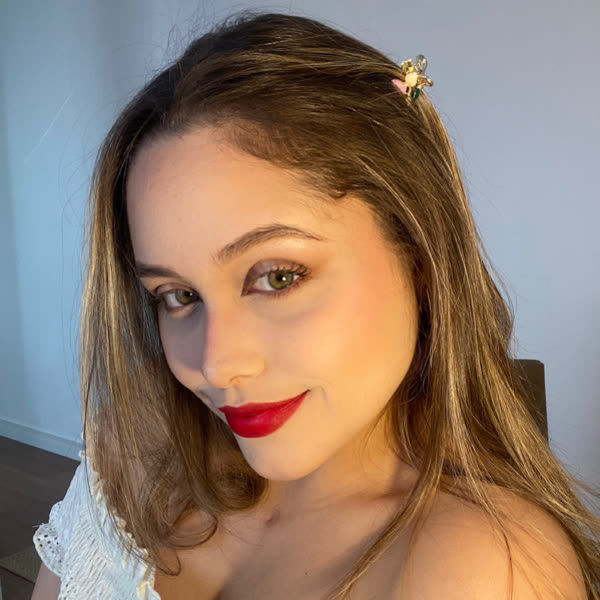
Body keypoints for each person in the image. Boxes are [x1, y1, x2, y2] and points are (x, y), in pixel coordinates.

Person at [31, 9, 600, 600]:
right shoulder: (142, 434)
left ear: (420, 261)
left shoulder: (484, 570)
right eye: (178, 296)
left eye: (278, 277)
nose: (216, 365)